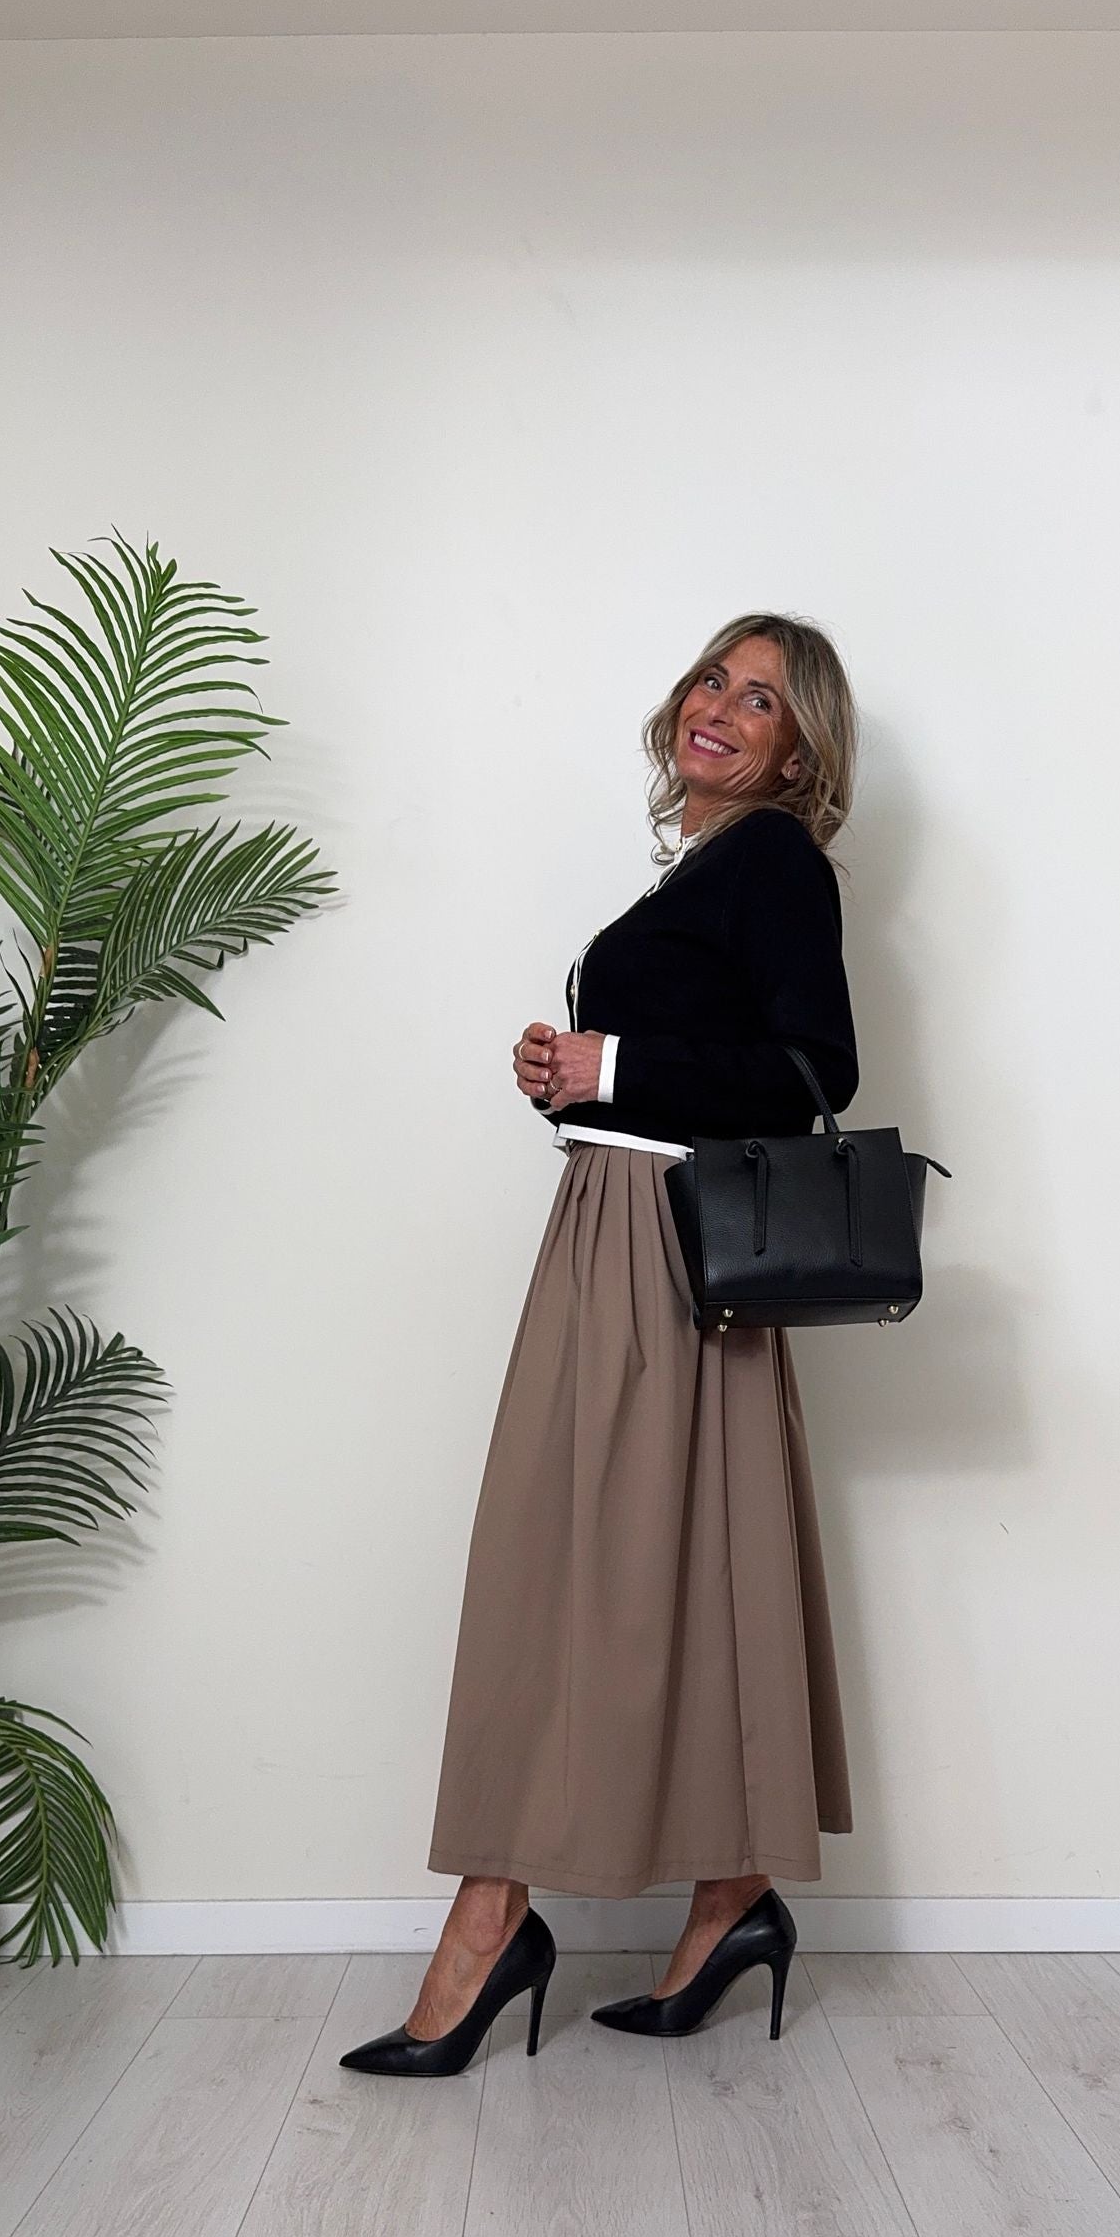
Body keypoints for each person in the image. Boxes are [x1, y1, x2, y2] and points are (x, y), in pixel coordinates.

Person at [341, 612, 860, 2077]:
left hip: (668, 1251)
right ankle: (729, 1895)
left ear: (798, 751)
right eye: (713, 679)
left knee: (565, 1570)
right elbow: (702, 1059)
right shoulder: (698, 868)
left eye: (761, 701)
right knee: (661, 1565)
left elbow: (814, 1071)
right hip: (614, 1221)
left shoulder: (776, 862)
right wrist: (571, 1082)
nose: (721, 707)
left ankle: (491, 1923)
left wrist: (614, 1062)